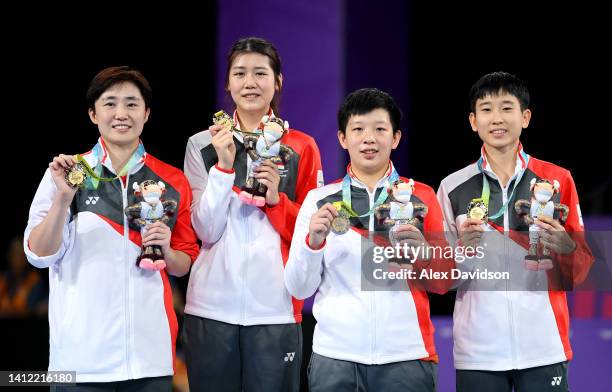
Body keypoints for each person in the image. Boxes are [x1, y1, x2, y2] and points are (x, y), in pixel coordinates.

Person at [24, 66, 199, 390]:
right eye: (110, 103)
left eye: (132, 104)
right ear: (93, 113)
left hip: (151, 359)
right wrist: (63, 200)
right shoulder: (66, 174)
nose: (121, 113)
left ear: (146, 113)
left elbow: (184, 261)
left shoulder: (173, 181)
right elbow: (38, 254)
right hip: (79, 361)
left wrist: (168, 251)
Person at [436, 71, 593, 392]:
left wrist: (567, 247)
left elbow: (580, 274)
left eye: (507, 108)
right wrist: (460, 252)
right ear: (472, 120)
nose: (497, 118)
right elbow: (440, 280)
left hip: (544, 347)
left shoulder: (557, 180)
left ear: (525, 117)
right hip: (478, 353)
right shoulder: (452, 187)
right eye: (487, 109)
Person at [285, 88, 450, 392]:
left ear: (396, 138)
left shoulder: (421, 197)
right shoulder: (320, 201)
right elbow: (298, 287)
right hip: (335, 359)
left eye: (379, 129)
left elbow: (443, 283)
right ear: (342, 139)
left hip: (407, 358)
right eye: (358, 129)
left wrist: (425, 253)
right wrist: (313, 243)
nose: (369, 138)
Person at [182, 37, 323, 391]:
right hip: (211, 308)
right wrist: (224, 168)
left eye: (261, 73)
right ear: (227, 84)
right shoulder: (203, 144)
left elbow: (311, 232)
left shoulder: (301, 146)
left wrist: (276, 201)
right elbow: (204, 229)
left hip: (275, 308)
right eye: (240, 73)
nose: (250, 83)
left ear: (278, 82)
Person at [0, 236, 47, 316]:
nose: (17, 258)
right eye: (14, 253)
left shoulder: (35, 280)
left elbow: (31, 310)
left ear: (26, 258)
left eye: (21, 254)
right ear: (9, 256)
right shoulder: (3, 278)